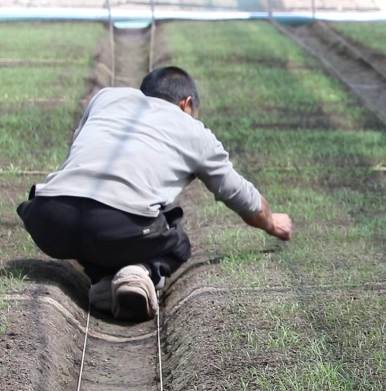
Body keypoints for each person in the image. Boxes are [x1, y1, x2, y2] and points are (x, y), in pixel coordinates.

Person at [16, 66, 293, 321]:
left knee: (94, 225)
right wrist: (273, 223)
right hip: (118, 228)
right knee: (177, 242)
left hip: (48, 217)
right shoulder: (195, 131)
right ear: (186, 104)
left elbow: (79, 148)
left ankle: (104, 280)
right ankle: (140, 271)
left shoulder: (106, 98)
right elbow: (240, 195)